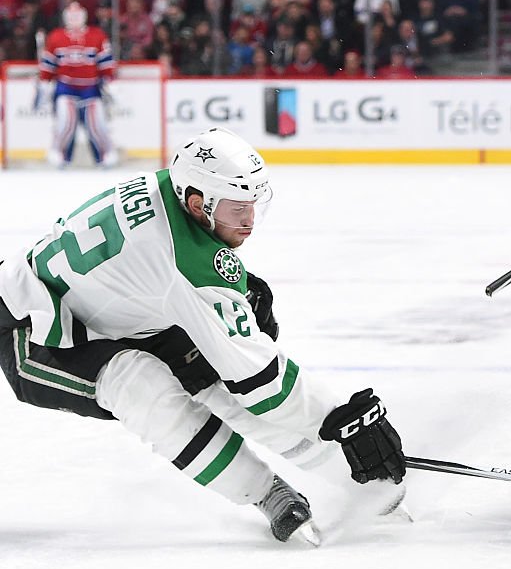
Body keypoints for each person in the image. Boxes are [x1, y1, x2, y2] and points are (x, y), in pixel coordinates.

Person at [0, 127, 407, 544]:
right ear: (197, 204)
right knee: (143, 390)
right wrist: (341, 419)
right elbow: (262, 384)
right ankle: (268, 493)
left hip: (123, 314)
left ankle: (366, 491)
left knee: (216, 383)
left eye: (253, 205)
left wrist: (234, 289)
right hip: (33, 330)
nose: (249, 220)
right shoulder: (185, 262)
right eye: (237, 209)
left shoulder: (178, 191)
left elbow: (160, 266)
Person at [36, 1, 117, 168]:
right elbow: (48, 64)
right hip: (66, 86)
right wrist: (44, 83)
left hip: (91, 87)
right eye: (71, 15)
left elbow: (105, 62)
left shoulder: (97, 35)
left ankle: (105, 154)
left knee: (97, 125)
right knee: (65, 123)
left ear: (84, 17)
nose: (74, 18)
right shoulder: (56, 36)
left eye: (77, 15)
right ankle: (59, 153)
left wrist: (110, 81)